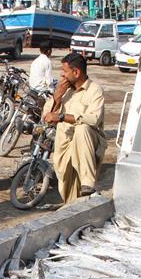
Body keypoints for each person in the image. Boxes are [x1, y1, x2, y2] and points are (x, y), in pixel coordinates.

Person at [43, 53, 106, 204]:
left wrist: (63, 117)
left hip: (88, 143)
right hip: (65, 144)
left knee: (82, 129)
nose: (62, 75)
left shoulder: (95, 90)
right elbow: (47, 116)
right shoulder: (64, 90)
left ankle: (87, 182)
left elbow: (93, 119)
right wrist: (57, 97)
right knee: (69, 194)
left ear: (76, 72)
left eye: (65, 71)